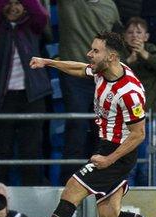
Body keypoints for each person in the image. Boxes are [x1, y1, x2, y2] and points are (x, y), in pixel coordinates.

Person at [0, 32, 156, 217]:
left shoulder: (129, 92)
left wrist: (109, 159)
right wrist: (49, 62)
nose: (90, 54)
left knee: (72, 188)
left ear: (111, 56)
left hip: (117, 153)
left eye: (95, 51)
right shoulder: (102, 70)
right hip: (105, 147)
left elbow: (139, 135)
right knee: (109, 216)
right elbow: (80, 70)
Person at [0, 0, 52, 186]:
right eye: (9, 3)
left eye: (18, 3)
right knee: (2, 152)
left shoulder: (33, 25)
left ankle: (33, 199)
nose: (13, 7)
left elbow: (42, 14)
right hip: (1, 98)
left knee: (31, 152)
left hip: (32, 96)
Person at [56, 0, 120, 183]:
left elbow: (117, 39)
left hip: (102, 76)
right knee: (76, 128)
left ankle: (96, 180)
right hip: (74, 75)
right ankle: (68, 182)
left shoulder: (110, 6)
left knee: (101, 131)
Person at [122, 16, 156, 185]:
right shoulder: (118, 53)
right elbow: (108, 74)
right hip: (125, 119)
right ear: (124, 36)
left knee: (148, 163)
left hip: (149, 116)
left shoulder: (151, 49)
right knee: (129, 164)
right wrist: (128, 62)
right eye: (130, 32)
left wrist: (144, 54)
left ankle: (152, 201)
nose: (134, 36)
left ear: (146, 36)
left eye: (139, 32)